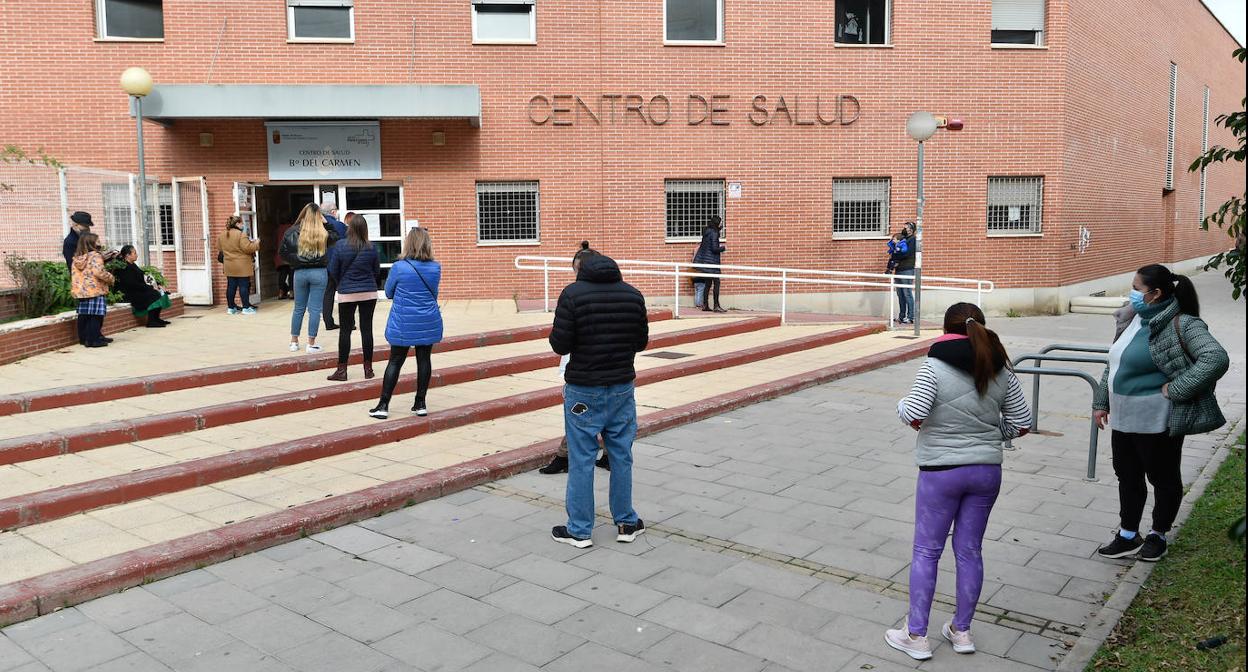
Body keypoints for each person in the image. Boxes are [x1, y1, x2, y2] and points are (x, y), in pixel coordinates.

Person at [885, 302, 1031, 661]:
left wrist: (902, 405)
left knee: (926, 551)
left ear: (946, 330)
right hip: (986, 471)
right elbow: (1022, 422)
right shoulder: (1000, 367)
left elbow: (915, 412)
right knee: (970, 551)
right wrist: (992, 435)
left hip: (941, 471)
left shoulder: (933, 366)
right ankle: (961, 631)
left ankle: (916, 635)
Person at [1093, 264, 1229, 562]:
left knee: (1163, 478)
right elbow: (1113, 363)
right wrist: (1101, 401)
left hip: (1158, 419)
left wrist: (1177, 389)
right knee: (1127, 477)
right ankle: (1128, 534)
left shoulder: (1184, 324)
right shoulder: (1133, 319)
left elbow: (1215, 358)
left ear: (1155, 294)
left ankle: (1158, 534)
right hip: (1125, 417)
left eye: (1137, 289)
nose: (1132, 294)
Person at [548, 249, 649, 549]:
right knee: (621, 455)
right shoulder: (633, 295)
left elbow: (559, 344)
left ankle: (579, 529)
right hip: (621, 387)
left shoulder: (572, 295)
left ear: (582, 269)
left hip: (583, 389)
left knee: (581, 458)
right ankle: (627, 522)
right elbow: (641, 342)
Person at [539, 241, 610, 475]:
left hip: (585, 370)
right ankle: (609, 455)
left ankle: (565, 457)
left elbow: (560, 343)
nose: (576, 274)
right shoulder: (622, 290)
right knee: (609, 414)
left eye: (577, 269)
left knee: (579, 419)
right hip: (615, 370)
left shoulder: (573, 295)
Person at [369, 227, 443, 419]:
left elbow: (388, 292)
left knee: (395, 360)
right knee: (424, 359)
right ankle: (420, 403)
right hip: (427, 318)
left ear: (408, 243)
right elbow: (433, 293)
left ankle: (383, 405)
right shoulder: (435, 267)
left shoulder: (399, 267)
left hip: (403, 321)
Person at [326, 213, 381, 381]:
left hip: (347, 293)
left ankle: (342, 371)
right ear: (364, 229)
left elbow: (332, 269)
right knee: (367, 330)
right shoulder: (371, 247)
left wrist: (342, 283)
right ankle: (368, 369)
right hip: (369, 292)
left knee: (345, 331)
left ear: (349, 228)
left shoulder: (340, 246)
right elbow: (377, 271)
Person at [280, 203, 338, 353]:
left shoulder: (292, 231)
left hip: (299, 273)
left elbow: (283, 253)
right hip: (319, 272)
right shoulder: (323, 231)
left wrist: (296, 261)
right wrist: (328, 224)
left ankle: (294, 342)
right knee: (315, 310)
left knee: (298, 308)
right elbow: (336, 238)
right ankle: (311, 343)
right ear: (319, 216)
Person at [70, 232, 115, 348]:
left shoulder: (77, 258)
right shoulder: (95, 255)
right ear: (91, 242)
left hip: (82, 291)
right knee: (96, 315)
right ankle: (94, 340)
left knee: (84, 315)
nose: (99, 241)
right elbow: (98, 272)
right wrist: (111, 278)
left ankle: (84, 338)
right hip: (95, 289)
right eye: (97, 240)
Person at [113, 244, 171, 328]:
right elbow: (131, 284)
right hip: (129, 293)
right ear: (128, 255)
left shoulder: (133, 265)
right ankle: (151, 321)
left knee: (161, 292)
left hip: (138, 289)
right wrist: (150, 288)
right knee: (154, 294)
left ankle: (156, 318)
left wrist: (157, 285)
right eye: (134, 253)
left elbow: (144, 277)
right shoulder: (124, 267)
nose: (137, 255)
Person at [218, 215, 261, 315]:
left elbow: (220, 248)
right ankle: (246, 307)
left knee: (231, 286)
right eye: (241, 223)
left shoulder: (222, 235)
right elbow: (248, 248)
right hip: (242, 265)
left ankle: (231, 307)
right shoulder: (241, 235)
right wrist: (256, 243)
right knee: (243, 286)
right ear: (237, 224)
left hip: (229, 264)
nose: (243, 225)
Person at [321, 201, 347, 331]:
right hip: (339, 263)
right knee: (344, 293)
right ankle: (347, 322)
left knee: (328, 293)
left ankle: (328, 322)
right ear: (332, 212)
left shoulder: (317, 226)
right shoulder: (340, 226)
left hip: (322, 264)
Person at [692, 214, 727, 313]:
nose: (721, 224)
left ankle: (705, 305)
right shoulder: (714, 233)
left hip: (705, 262)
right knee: (717, 283)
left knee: (707, 284)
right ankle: (716, 306)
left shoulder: (707, 232)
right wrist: (723, 248)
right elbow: (714, 249)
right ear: (717, 223)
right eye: (720, 223)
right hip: (712, 263)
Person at [893, 221, 917, 324]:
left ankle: (911, 316)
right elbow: (895, 252)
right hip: (899, 269)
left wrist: (897, 253)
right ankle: (901, 316)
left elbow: (905, 254)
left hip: (907, 269)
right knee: (900, 294)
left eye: (906, 227)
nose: (904, 229)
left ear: (911, 229)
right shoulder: (904, 239)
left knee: (907, 293)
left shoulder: (913, 240)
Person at [274, 220, 294, 300]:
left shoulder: (278, 229)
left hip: (281, 255)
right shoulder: (293, 228)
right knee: (292, 275)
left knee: (282, 275)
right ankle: (291, 292)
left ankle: (281, 292)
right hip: (290, 254)